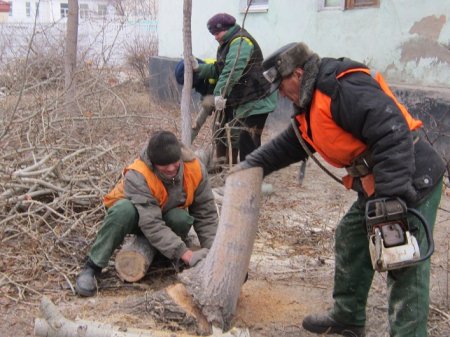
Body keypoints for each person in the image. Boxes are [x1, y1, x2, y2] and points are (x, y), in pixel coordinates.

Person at [234, 42, 446, 336]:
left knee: (403, 261)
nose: (281, 94)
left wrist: (390, 201)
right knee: (351, 237)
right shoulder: (309, 103)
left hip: (410, 176)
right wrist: (251, 165)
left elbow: (391, 131)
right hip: (380, 182)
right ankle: (347, 317)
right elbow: (296, 142)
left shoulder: (341, 88)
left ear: (297, 73)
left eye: (281, 86)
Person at [75, 131, 218, 297]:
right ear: (153, 163)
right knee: (123, 210)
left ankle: (163, 256)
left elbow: (206, 214)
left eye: (175, 163)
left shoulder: (195, 168)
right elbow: (151, 223)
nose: (171, 169)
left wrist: (215, 252)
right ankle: (93, 267)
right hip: (136, 218)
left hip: (164, 215)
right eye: (165, 166)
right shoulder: (138, 174)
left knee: (180, 219)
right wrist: (186, 254)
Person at [191, 13, 277, 164]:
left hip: (257, 99)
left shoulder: (241, 42)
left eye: (217, 33)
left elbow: (232, 69)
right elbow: (219, 69)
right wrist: (199, 68)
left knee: (247, 142)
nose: (215, 37)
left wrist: (219, 93)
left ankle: (249, 179)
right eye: (213, 34)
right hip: (245, 97)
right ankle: (229, 169)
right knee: (230, 135)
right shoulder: (228, 43)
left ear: (227, 28)